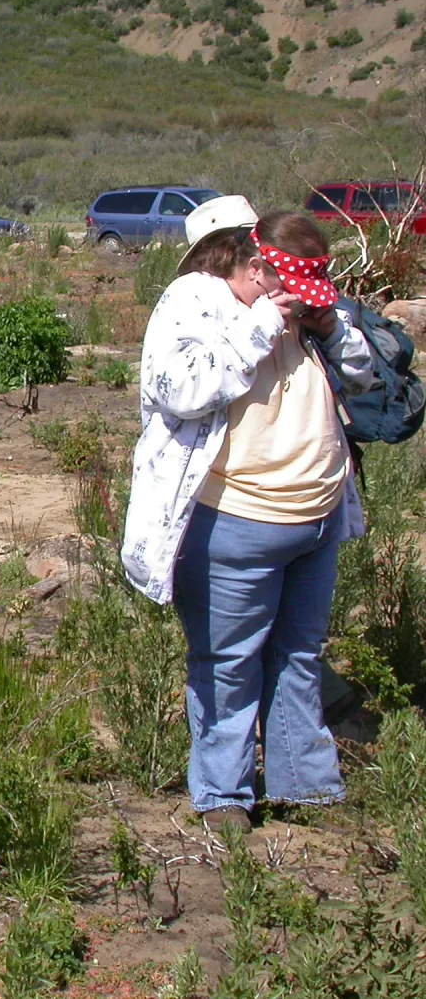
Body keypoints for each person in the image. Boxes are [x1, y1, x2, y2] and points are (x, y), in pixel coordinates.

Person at [121, 196, 375, 833]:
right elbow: (177, 387)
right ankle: (224, 795)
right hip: (235, 516)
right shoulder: (192, 301)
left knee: (298, 654)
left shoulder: (305, 297)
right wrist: (261, 326)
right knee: (227, 663)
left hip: (314, 514)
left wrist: (328, 326)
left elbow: (367, 375)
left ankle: (304, 786)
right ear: (245, 258)